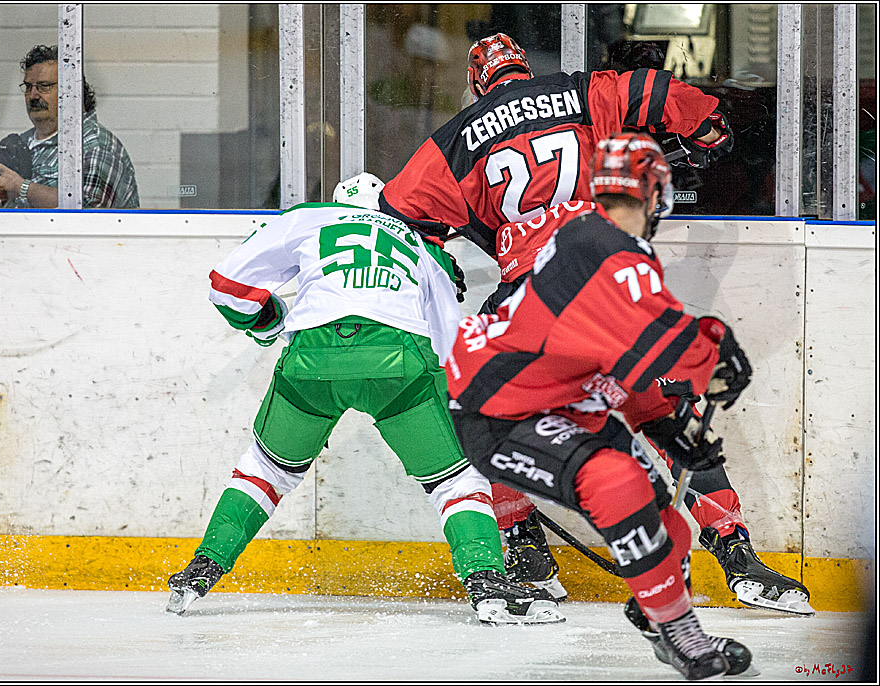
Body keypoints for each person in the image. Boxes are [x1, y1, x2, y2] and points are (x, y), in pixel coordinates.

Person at [380, 33, 811, 616]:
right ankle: (738, 557)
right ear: (524, 69)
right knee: (668, 415)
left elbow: (399, 216)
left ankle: (527, 551)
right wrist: (707, 127)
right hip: (604, 287)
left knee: (488, 416)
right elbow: (658, 92)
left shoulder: (458, 136)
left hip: (528, 298)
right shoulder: (579, 92)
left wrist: (459, 244)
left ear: (480, 84)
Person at [165, 172, 564, 626]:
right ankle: (487, 584)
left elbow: (227, 287)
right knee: (456, 481)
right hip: (400, 359)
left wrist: (271, 323)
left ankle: (199, 572)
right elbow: (450, 343)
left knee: (264, 471)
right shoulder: (423, 244)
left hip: (311, 359)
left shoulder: (309, 217)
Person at [445, 132, 753, 679]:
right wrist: (705, 352)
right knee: (620, 485)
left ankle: (656, 612)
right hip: (501, 410)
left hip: (562, 405)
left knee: (670, 529)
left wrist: (661, 421)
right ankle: (678, 630)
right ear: (656, 194)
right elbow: (652, 345)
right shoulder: (605, 248)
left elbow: (622, 356)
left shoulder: (602, 242)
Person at [0, 44, 139, 209]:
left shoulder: (95, 145)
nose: (33, 95)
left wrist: (21, 188)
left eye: (44, 86)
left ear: (72, 90)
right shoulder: (21, 143)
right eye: (28, 87)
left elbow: (91, 215)